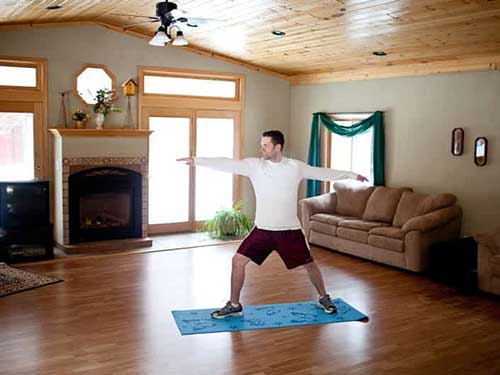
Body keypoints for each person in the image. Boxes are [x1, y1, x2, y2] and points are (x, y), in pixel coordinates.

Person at [177, 130, 367, 319]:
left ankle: (323, 297)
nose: (261, 148)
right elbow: (228, 163)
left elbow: (322, 173)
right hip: (262, 230)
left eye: (265, 145)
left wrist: (351, 174)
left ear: (278, 147)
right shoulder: (255, 166)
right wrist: (198, 160)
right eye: (261, 145)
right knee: (237, 261)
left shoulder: (295, 167)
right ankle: (234, 305)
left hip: (290, 231)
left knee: (309, 265)